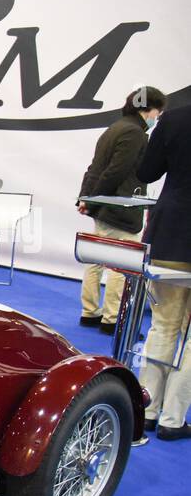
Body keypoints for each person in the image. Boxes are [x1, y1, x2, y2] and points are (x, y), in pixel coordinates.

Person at [77, 86, 166, 333]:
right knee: (121, 264)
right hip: (121, 207)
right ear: (148, 109)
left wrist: (85, 198)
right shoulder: (135, 133)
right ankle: (113, 318)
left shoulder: (113, 128)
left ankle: (89, 312)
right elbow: (116, 171)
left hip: (103, 207)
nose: (156, 117)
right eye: (157, 112)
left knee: (95, 260)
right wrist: (92, 199)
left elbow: (95, 167)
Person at [136, 100, 191, 440]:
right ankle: (173, 417)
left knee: (162, 325)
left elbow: (146, 172)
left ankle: (147, 409)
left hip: (170, 232)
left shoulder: (173, 119)